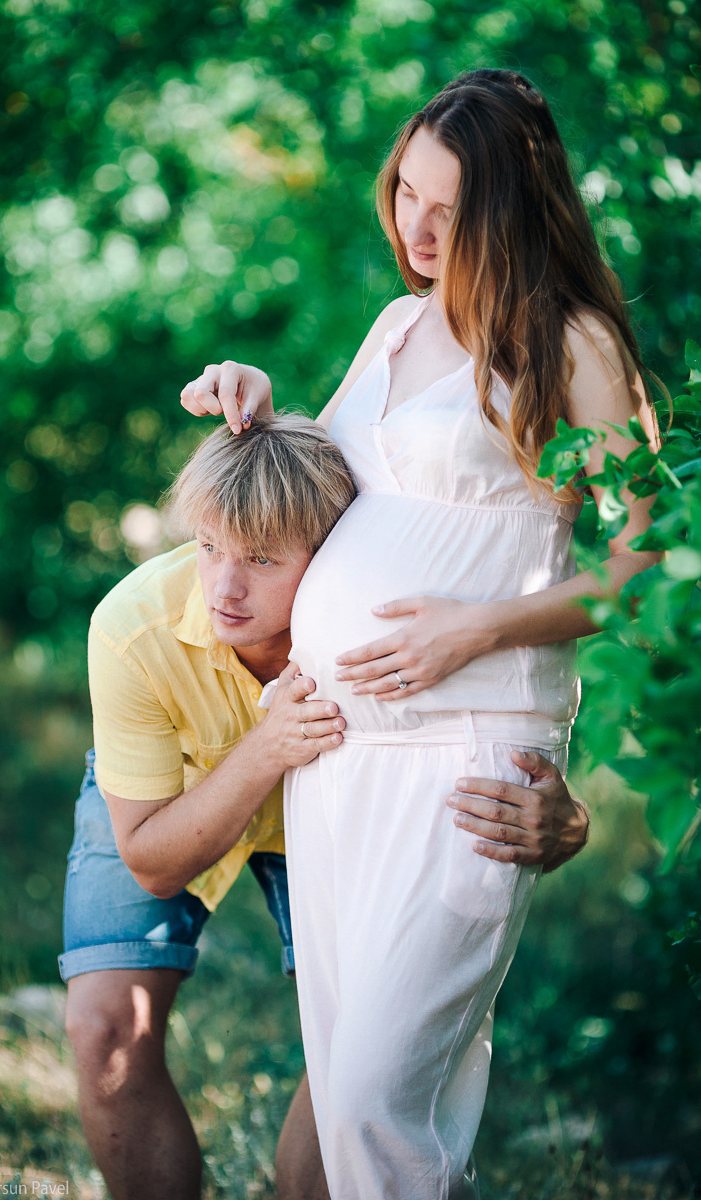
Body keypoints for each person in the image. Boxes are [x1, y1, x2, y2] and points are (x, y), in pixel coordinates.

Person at [180, 70, 660, 1198]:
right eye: (405, 192)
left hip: (465, 763)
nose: (416, 226)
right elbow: (345, 494)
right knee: (354, 1089)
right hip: (337, 755)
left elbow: (642, 563)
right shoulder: (398, 324)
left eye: (449, 204)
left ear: (513, 203)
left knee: (376, 1103)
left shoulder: (570, 345)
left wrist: (478, 628)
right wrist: (261, 403)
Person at [60, 413, 590, 1200]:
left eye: (263, 559)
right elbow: (152, 861)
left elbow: (501, 729)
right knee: (102, 1028)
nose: (224, 588)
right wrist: (267, 748)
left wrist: (569, 824)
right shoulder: (133, 627)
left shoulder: (391, 617)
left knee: (360, 1041)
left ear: (338, 550)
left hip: (338, 805)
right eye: (209, 547)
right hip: (175, 793)